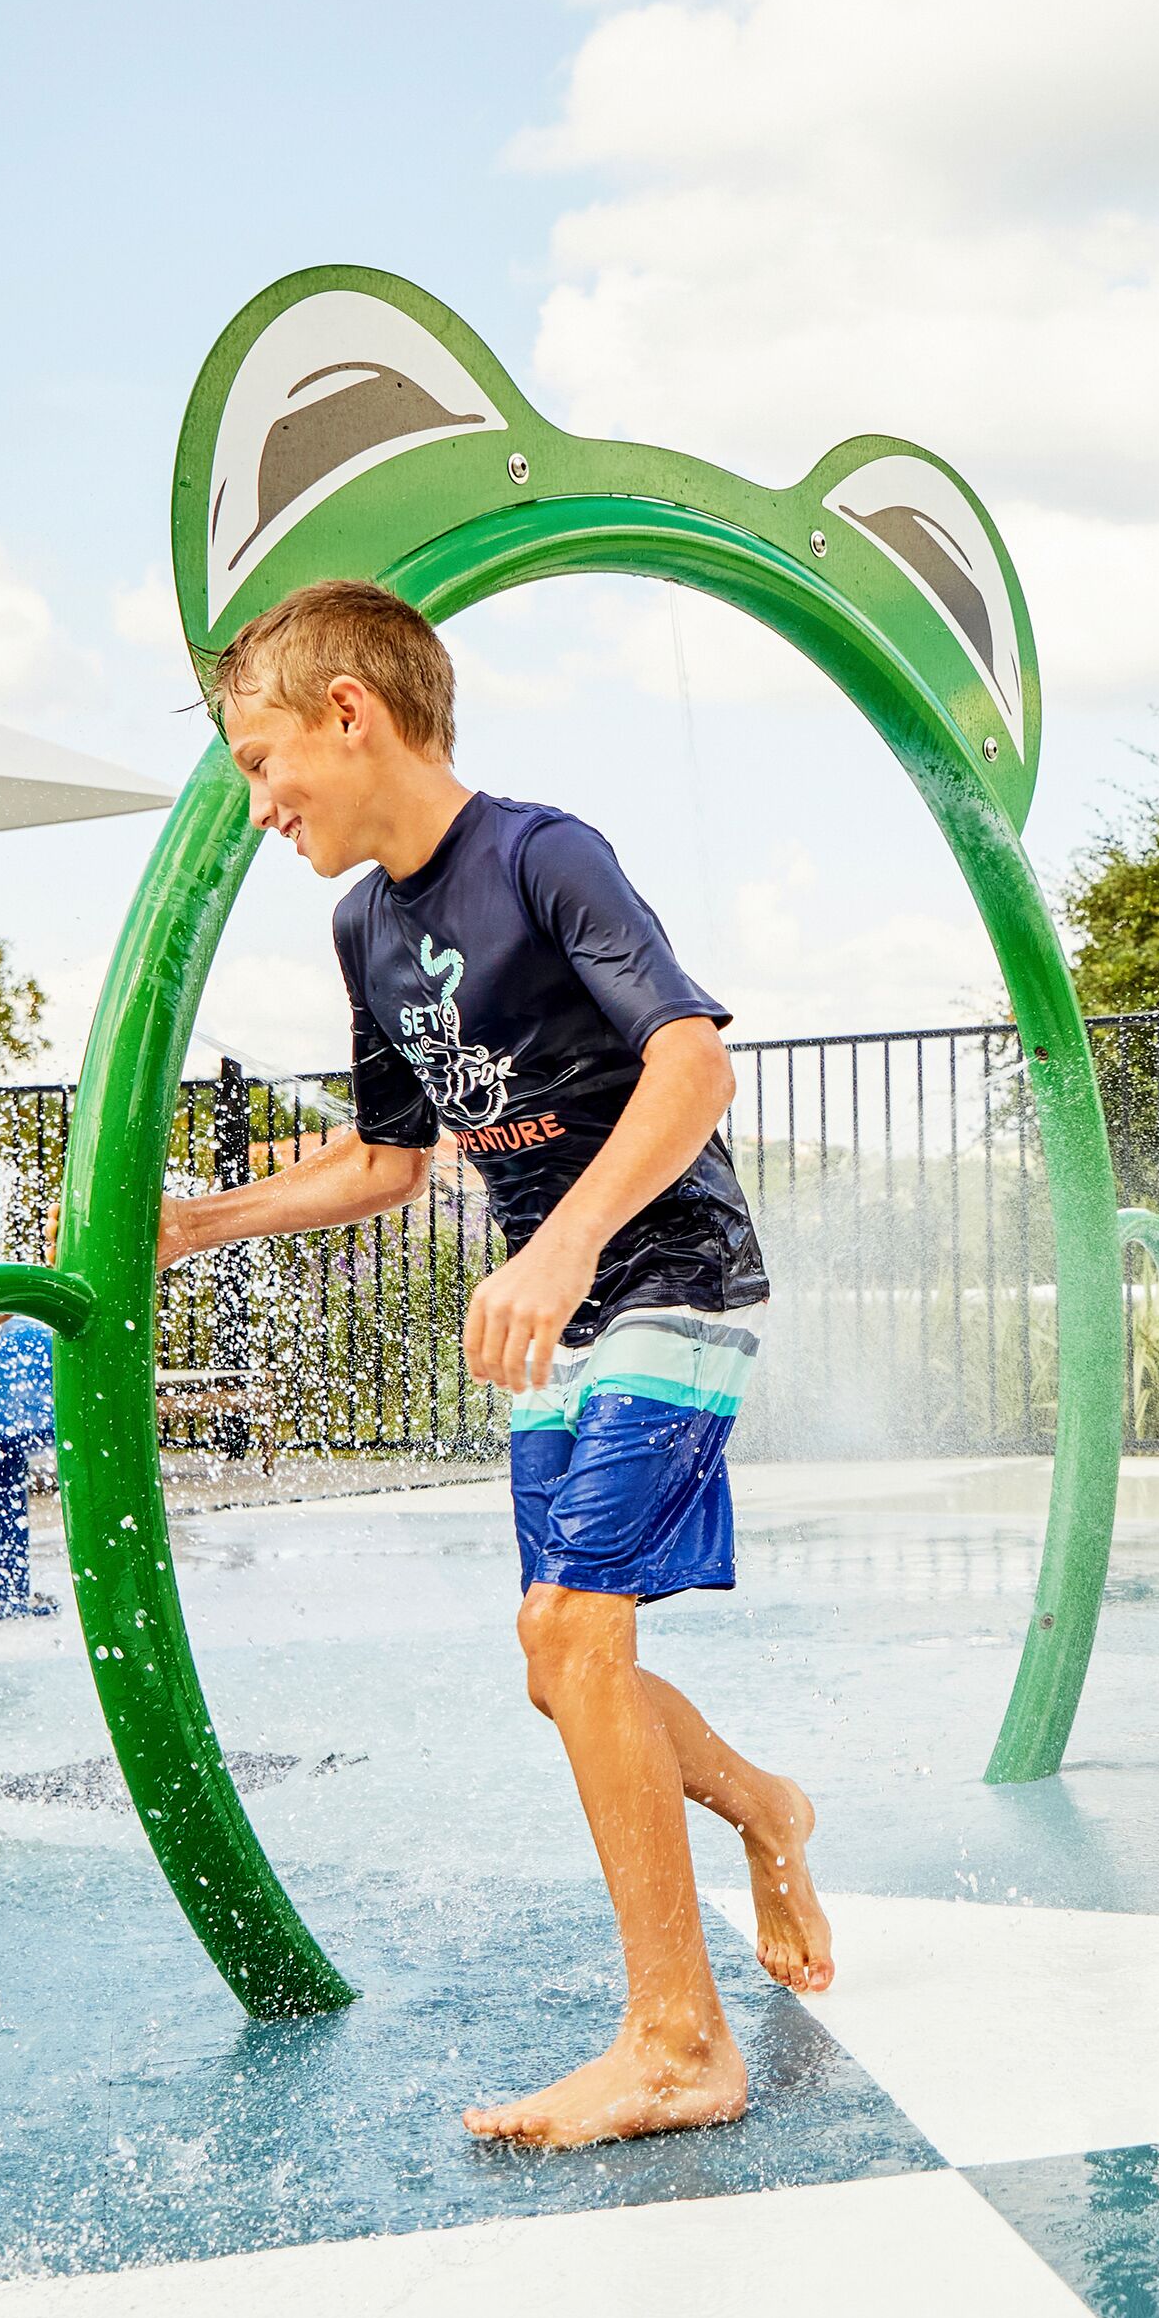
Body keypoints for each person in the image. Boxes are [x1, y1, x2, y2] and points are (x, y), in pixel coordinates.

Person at [157, 577, 831, 2152]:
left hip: (666, 1274)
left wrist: (563, 1244)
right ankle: (766, 1809)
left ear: (352, 712)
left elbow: (693, 1058)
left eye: (266, 765)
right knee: (555, 1662)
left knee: (574, 1627)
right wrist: (194, 1223)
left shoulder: (539, 855)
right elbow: (393, 1163)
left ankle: (679, 2044)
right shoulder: (363, 922)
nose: (262, 807)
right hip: (562, 1304)